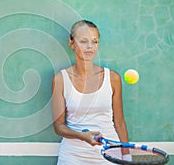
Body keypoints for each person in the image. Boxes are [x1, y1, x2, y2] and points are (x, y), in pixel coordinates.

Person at [51, 20, 130, 164]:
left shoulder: (112, 78)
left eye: (94, 42)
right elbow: (59, 126)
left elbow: (119, 123)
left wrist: (126, 157)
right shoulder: (60, 79)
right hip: (73, 156)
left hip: (109, 154)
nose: (90, 47)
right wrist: (82, 136)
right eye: (83, 41)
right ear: (71, 44)